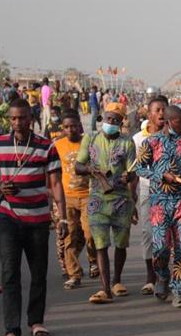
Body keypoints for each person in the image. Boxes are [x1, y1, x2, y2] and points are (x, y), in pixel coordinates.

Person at [0, 99, 66, 336]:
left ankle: (36, 321)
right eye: (14, 118)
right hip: (8, 216)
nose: (18, 122)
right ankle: (11, 331)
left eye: (23, 118)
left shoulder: (46, 146)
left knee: (38, 273)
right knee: (9, 274)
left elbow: (55, 184)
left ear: (32, 118)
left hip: (37, 218)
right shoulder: (0, 144)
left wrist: (63, 217)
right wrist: (1, 188)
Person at [74, 103, 138, 304]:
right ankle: (105, 289)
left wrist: (128, 176)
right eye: (109, 118)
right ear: (102, 118)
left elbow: (132, 171)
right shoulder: (91, 138)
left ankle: (117, 281)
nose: (111, 122)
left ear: (121, 122)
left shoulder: (127, 142)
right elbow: (78, 165)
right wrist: (90, 170)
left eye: (116, 120)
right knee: (100, 244)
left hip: (121, 200)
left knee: (121, 243)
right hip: (97, 200)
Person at [134, 105, 181, 308]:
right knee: (160, 247)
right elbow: (139, 168)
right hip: (159, 201)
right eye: (179, 122)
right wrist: (161, 176)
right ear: (168, 122)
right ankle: (162, 275)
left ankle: (179, 291)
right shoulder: (151, 142)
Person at [55, 110, 98, 289]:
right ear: (62, 128)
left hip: (87, 194)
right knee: (69, 236)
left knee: (90, 233)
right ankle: (74, 274)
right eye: (66, 127)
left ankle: (93, 261)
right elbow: (54, 172)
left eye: (73, 126)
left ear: (79, 125)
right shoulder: (57, 145)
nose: (70, 130)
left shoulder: (88, 142)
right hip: (67, 197)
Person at [132, 95, 167, 295]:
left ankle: (165, 275)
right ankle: (150, 276)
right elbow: (134, 170)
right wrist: (132, 198)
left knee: (168, 235)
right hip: (148, 190)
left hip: (171, 192)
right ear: (149, 114)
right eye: (157, 110)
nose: (161, 114)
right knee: (148, 232)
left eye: (164, 110)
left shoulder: (175, 136)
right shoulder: (139, 139)